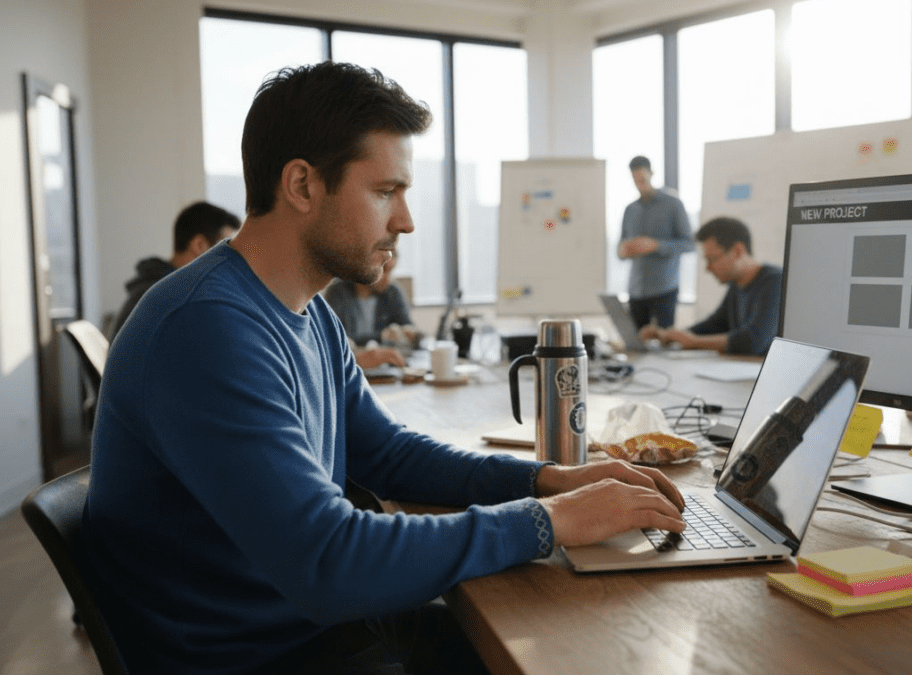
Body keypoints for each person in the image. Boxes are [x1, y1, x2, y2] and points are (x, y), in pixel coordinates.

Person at [81, 61, 685, 675]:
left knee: (569, 639)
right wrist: (549, 521)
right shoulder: (205, 327)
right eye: (385, 192)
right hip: (258, 657)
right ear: (302, 185)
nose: (406, 220)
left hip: (303, 629)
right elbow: (329, 564)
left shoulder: (309, 313)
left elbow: (389, 455)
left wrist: (546, 481)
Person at [640, 216, 782, 356]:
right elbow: (714, 325)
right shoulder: (736, 284)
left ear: (737, 251)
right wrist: (670, 335)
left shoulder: (775, 281)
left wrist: (694, 342)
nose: (708, 268)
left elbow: (753, 341)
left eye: (712, 259)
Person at [106, 200, 240, 340]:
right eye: (225, 249)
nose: (230, 260)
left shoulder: (157, 286)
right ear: (199, 245)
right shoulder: (172, 298)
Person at [617, 155, 694, 330]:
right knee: (636, 343)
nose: (639, 184)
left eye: (642, 179)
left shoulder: (673, 204)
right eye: (635, 180)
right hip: (636, 290)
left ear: (651, 173)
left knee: (665, 342)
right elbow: (620, 250)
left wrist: (656, 245)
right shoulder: (630, 210)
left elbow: (689, 243)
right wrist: (624, 250)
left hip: (664, 289)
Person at [323, 247, 420, 369]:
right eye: (384, 269)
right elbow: (336, 341)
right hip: (351, 365)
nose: (387, 278)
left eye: (391, 271)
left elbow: (408, 326)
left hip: (385, 368)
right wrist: (382, 336)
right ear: (364, 264)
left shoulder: (392, 292)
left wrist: (410, 333)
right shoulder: (338, 292)